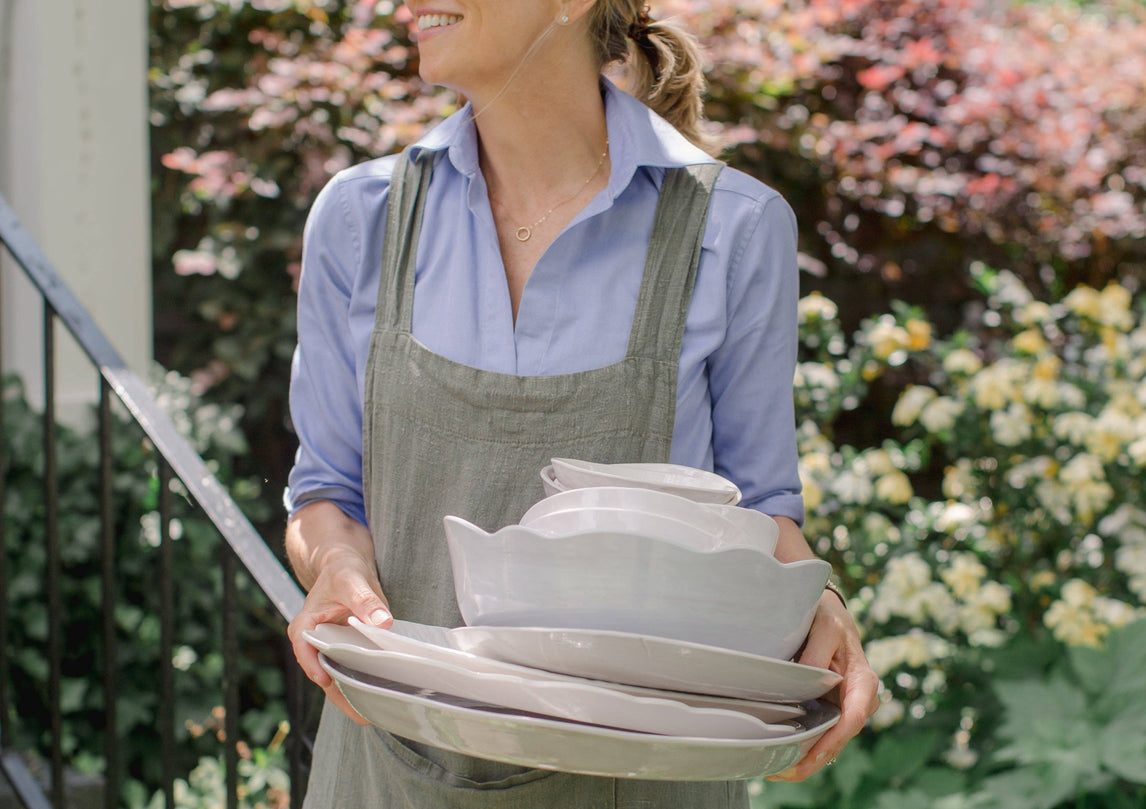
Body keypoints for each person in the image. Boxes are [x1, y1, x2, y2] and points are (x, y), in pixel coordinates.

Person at [284, 0, 880, 805]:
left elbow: (759, 507)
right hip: (391, 772)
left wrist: (824, 605)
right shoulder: (360, 220)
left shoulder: (734, 229)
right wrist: (337, 565)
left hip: (647, 780)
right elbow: (325, 488)